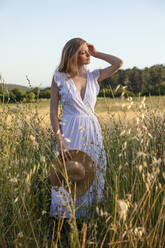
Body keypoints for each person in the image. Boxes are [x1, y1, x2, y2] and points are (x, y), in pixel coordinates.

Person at [49, 37, 123, 218]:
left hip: (91, 132)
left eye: (88, 51)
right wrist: (61, 142)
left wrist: (96, 52)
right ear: (72, 55)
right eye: (83, 52)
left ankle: (88, 218)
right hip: (69, 133)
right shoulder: (59, 77)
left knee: (92, 173)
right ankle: (65, 220)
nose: (88, 54)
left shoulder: (93, 76)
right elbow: (52, 113)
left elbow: (118, 63)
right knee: (68, 173)